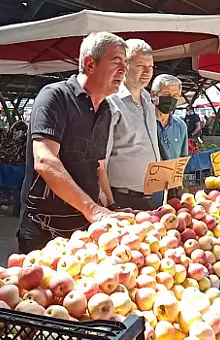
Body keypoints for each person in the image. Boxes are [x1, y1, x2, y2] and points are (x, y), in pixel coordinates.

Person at [17, 32, 133, 253]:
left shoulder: (106, 110)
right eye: (117, 62)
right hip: (45, 231)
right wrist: (93, 210)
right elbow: (45, 161)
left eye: (125, 64)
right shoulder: (55, 96)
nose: (124, 70)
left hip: (83, 231)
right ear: (90, 64)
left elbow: (97, 166)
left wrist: (111, 207)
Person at [105, 39, 160, 211]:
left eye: (150, 67)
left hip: (149, 196)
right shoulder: (111, 102)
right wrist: (108, 202)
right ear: (125, 66)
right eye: (140, 66)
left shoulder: (148, 100)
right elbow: (100, 159)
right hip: (121, 198)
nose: (147, 72)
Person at [152, 74, 188, 206]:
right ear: (154, 95)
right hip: (148, 190)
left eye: (175, 95)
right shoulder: (144, 121)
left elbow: (182, 159)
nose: (171, 99)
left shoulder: (181, 126)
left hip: (170, 190)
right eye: (166, 93)